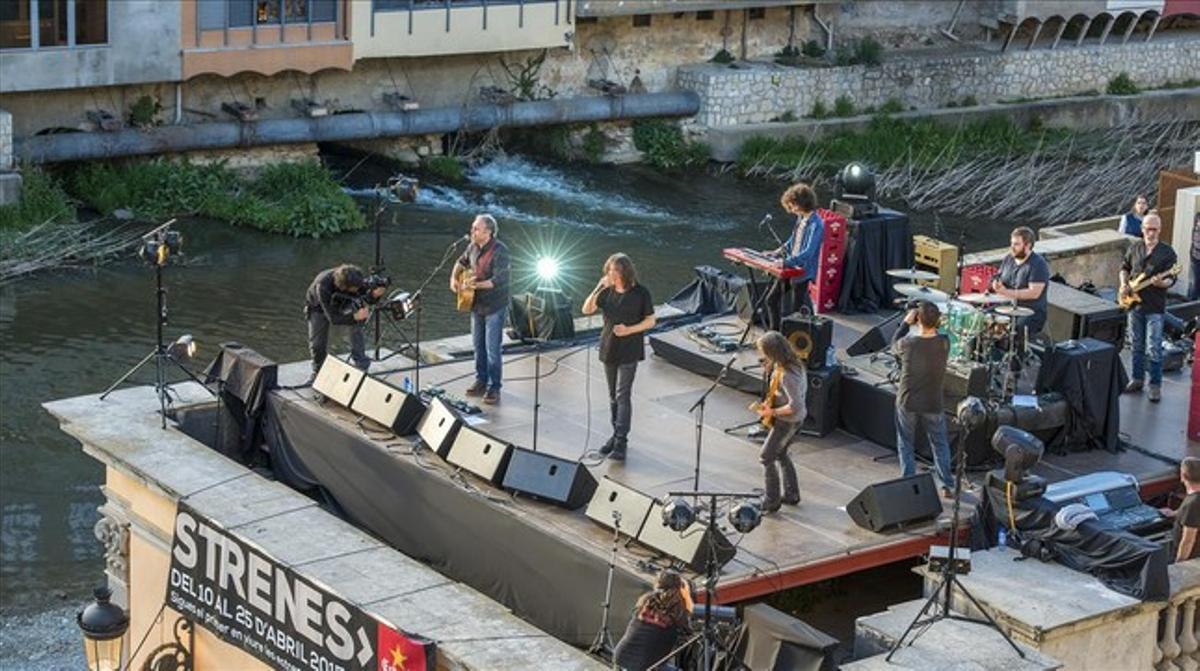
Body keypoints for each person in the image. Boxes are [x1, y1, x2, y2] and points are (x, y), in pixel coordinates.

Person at [582, 253, 656, 461]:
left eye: (615, 270)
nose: (611, 274)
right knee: (613, 396)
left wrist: (630, 329)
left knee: (623, 394)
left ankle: (622, 441)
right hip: (609, 347)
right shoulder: (607, 292)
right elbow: (586, 309)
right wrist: (598, 287)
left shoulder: (640, 293)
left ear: (625, 271)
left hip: (629, 348)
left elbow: (650, 321)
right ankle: (615, 436)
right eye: (609, 270)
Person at [892, 301, 954, 498]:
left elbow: (893, 344)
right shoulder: (945, 342)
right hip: (932, 401)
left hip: (908, 399)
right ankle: (946, 485)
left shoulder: (908, 343)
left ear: (917, 319)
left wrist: (904, 323)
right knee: (939, 442)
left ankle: (908, 481)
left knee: (905, 442)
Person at [450, 214, 511, 404]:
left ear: (488, 231)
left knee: (492, 348)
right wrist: (453, 278)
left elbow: (499, 280)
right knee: (478, 345)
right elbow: (461, 262)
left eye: (476, 228)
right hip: (476, 304)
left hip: (494, 305)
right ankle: (481, 380)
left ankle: (495, 387)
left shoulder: (501, 251)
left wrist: (477, 285)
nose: (472, 231)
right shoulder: (473, 246)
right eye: (473, 228)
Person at [1120, 212, 1177, 403]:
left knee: (1153, 347)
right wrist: (1123, 285)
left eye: (1154, 229)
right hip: (1134, 304)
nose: (1150, 233)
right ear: (1142, 229)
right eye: (1147, 229)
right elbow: (1125, 267)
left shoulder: (1167, 253)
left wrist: (1162, 283)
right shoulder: (1135, 247)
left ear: (1159, 230)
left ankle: (1154, 385)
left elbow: (1171, 279)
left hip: (1154, 305)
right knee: (1136, 345)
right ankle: (1137, 379)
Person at [751, 331, 808, 512]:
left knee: (766, 457)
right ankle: (792, 494)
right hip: (793, 420)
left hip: (788, 421)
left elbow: (795, 406)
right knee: (781, 453)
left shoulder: (788, 376)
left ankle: (772, 500)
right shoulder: (791, 364)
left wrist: (771, 411)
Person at [304, 264, 384, 377]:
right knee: (317, 343)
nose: (358, 289)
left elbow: (367, 299)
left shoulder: (355, 281)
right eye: (355, 289)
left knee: (356, 329)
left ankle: (361, 366)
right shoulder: (323, 286)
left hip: (345, 301)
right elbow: (333, 319)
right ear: (343, 286)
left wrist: (374, 295)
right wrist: (355, 317)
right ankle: (318, 370)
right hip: (318, 306)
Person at [613, 570, 693, 671]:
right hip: (646, 666)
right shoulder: (679, 608)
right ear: (678, 587)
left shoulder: (646, 599)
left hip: (621, 656)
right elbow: (688, 633)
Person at [774, 182, 825, 319]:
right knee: (771, 300)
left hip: (803, 270)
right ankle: (775, 335)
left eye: (792, 205)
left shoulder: (817, 224)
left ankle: (803, 334)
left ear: (801, 203)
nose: (791, 210)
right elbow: (793, 240)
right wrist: (776, 252)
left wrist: (786, 262)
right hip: (791, 266)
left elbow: (808, 253)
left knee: (797, 310)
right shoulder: (800, 218)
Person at [990, 226, 1051, 338]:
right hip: (1006, 306)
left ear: (1027, 245)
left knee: (1018, 329)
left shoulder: (1038, 264)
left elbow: (1034, 293)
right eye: (1012, 243)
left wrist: (1006, 292)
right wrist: (995, 282)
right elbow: (997, 276)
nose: (1012, 247)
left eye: (1016, 244)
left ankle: (1019, 353)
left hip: (1030, 311)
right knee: (984, 318)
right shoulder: (1009, 258)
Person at [1162, 457, 1200, 563]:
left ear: (1183, 476)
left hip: (1192, 561)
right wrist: (1175, 513)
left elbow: (1188, 540)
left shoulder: (1193, 503)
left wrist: (1179, 564)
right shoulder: (1193, 502)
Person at [1191, 212, 1200, 301]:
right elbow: (1197, 246)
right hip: (1196, 259)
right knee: (1197, 281)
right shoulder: (1196, 231)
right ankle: (1192, 301)